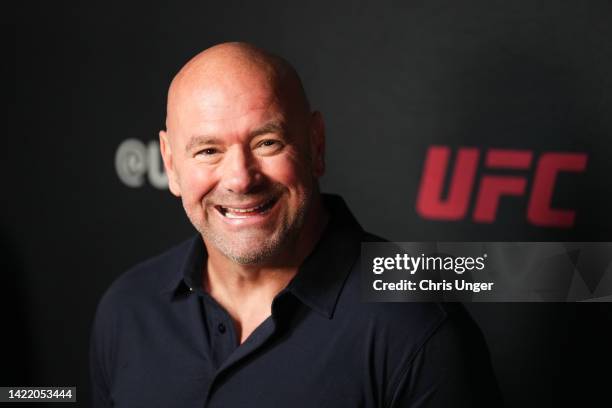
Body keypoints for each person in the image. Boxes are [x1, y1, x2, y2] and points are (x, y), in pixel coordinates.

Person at [90, 42, 502, 407]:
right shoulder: (129, 308)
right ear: (171, 164)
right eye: (208, 150)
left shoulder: (418, 329)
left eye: (267, 143)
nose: (240, 178)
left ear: (316, 145)